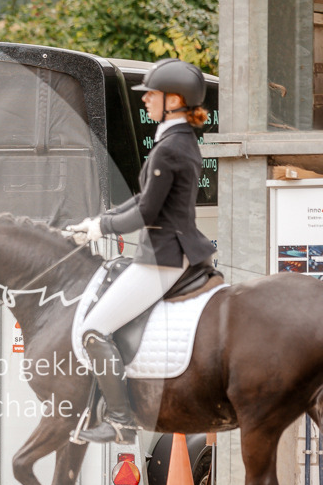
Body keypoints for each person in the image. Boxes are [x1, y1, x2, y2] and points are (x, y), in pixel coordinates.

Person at [65, 58, 217, 445]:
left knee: (94, 330)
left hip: (163, 256)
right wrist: (99, 220)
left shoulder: (170, 148)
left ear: (174, 100)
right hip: (176, 248)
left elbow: (148, 211)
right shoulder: (178, 141)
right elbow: (143, 198)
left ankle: (120, 419)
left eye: (152, 94)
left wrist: (102, 228)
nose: (145, 99)